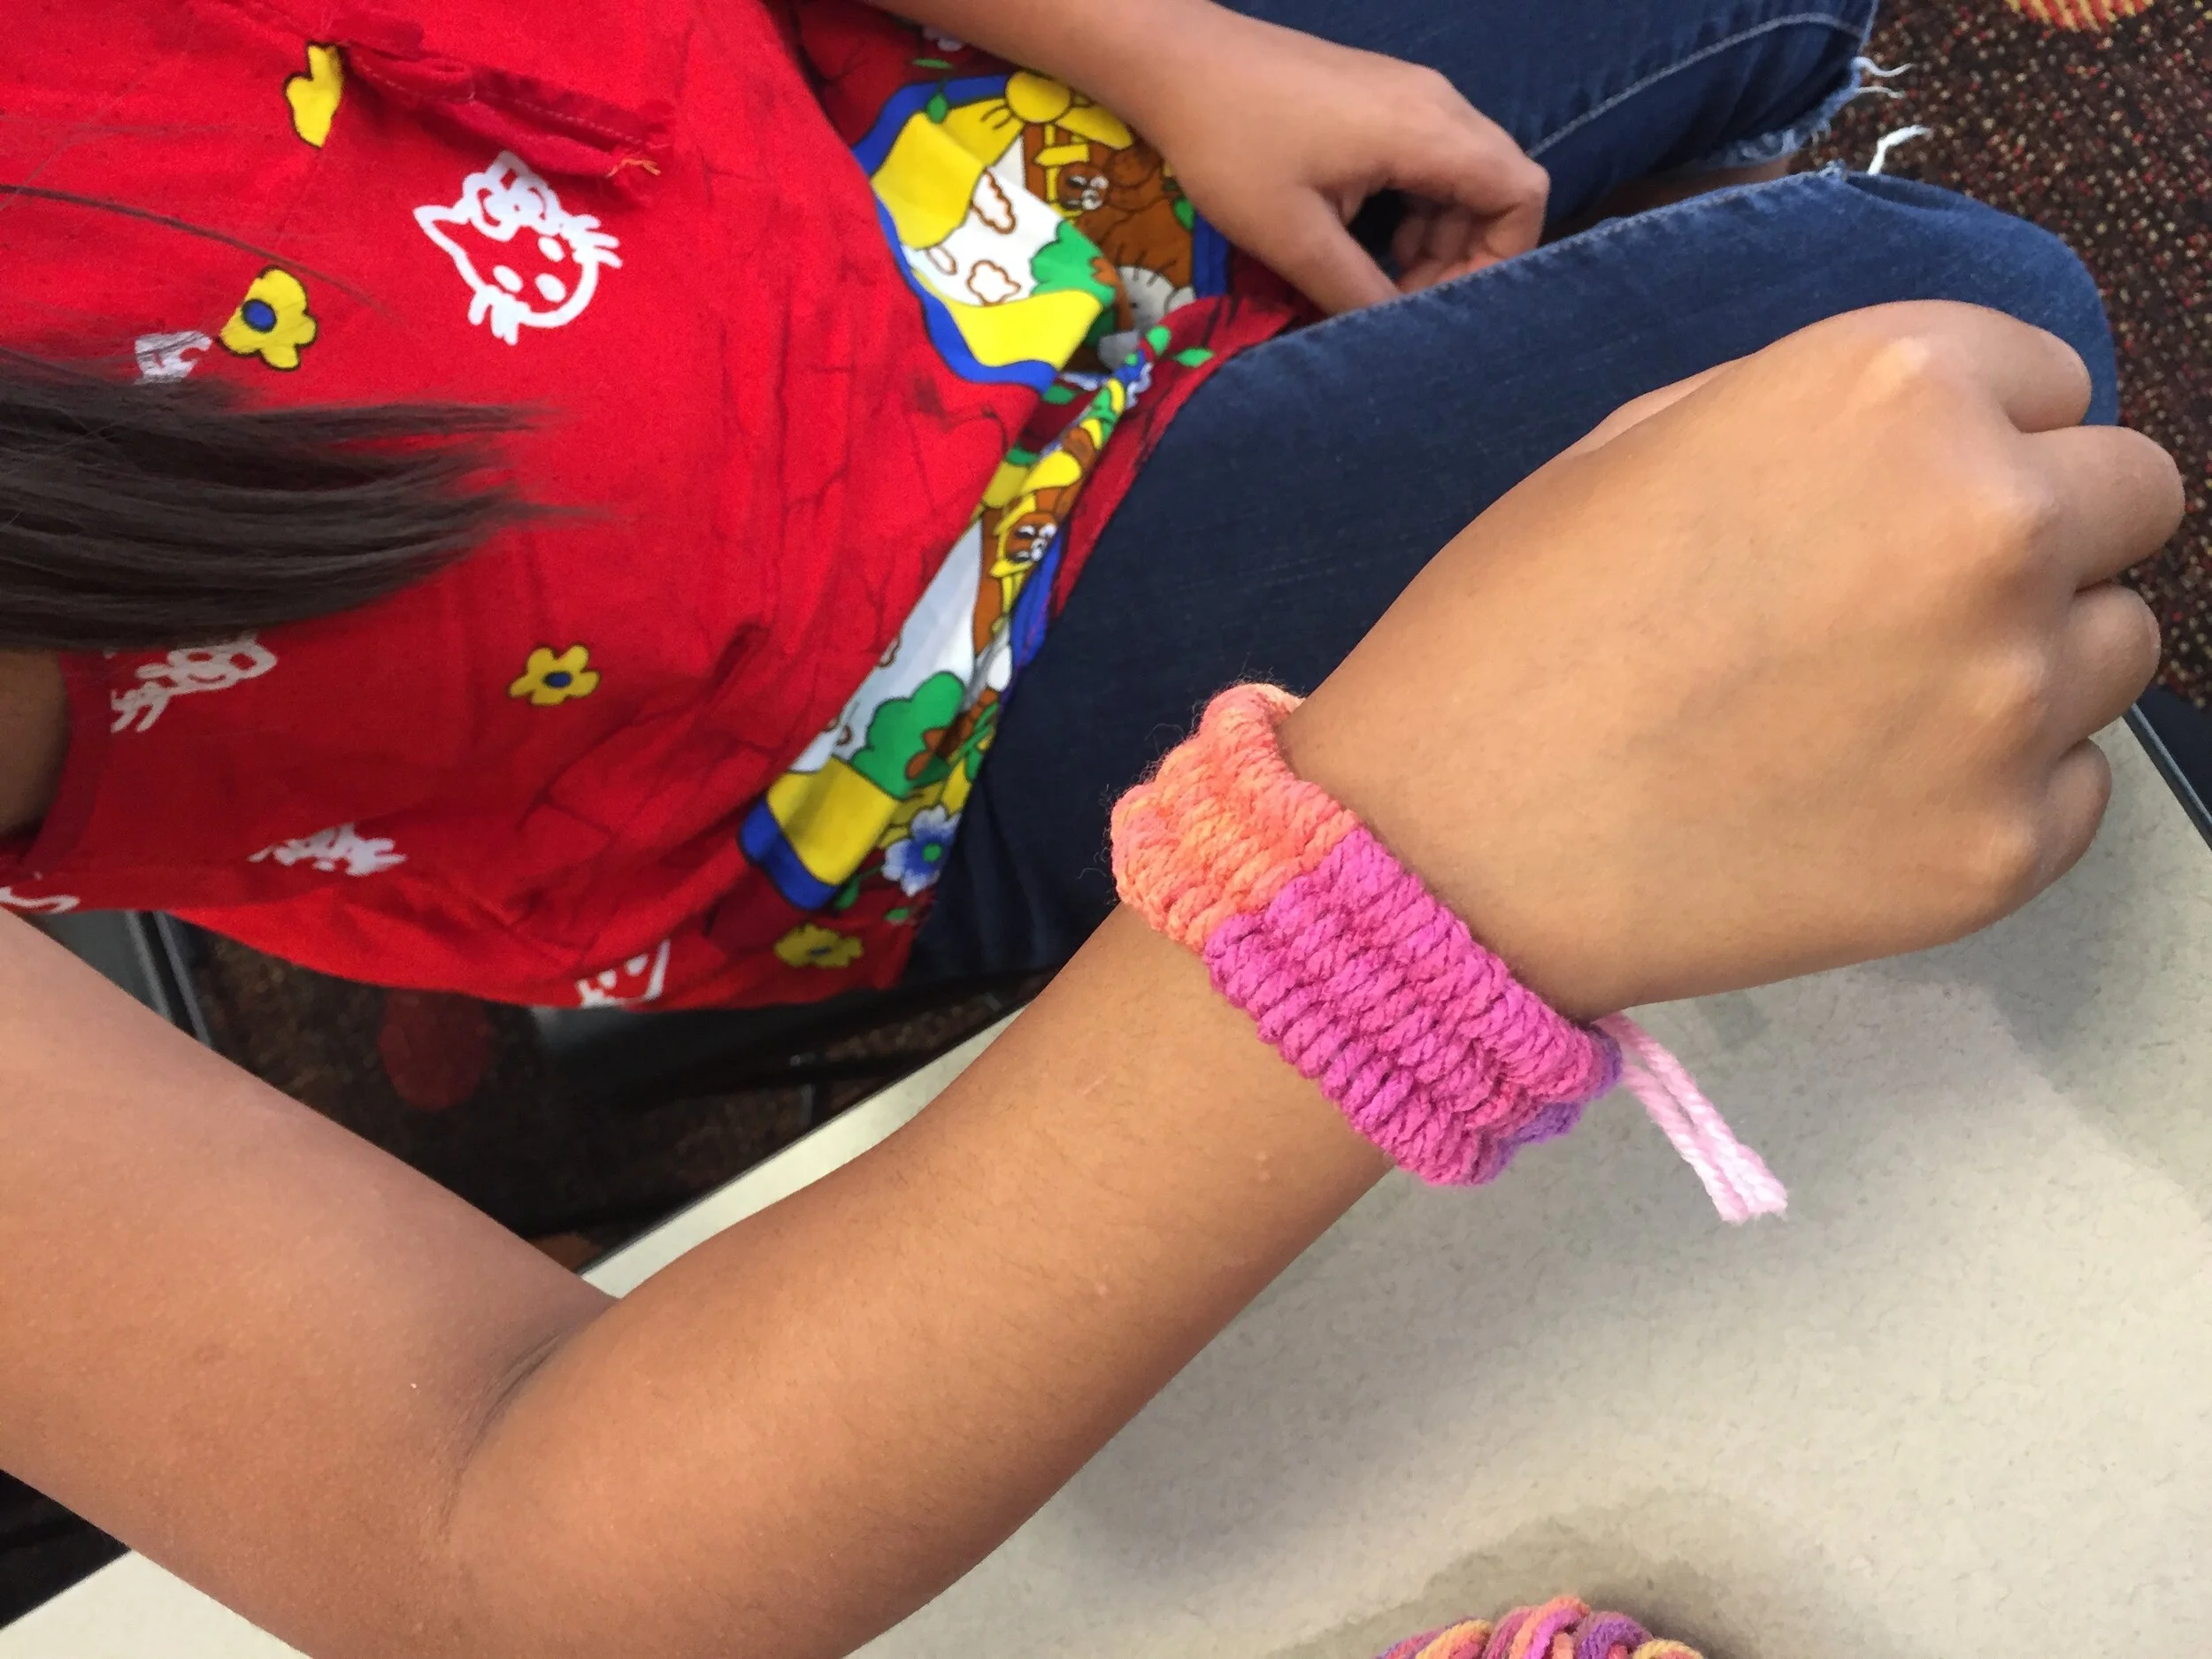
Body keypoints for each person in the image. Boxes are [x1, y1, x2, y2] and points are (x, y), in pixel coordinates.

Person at [0, 299, 2178, 1656]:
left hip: (900, 217)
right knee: (1952, 361)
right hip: (840, 730)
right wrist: (1399, 874)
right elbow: (481, 1538)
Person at [0, 0, 2067, 1016]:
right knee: (1980, 345)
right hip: (882, 732)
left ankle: (1626, 259)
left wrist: (1164, 49)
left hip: (940, 154)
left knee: (1897, 286)